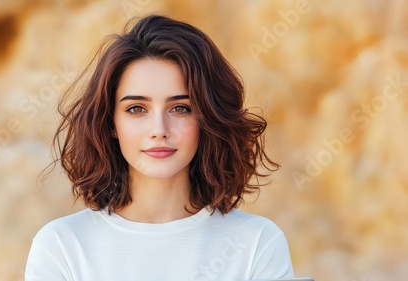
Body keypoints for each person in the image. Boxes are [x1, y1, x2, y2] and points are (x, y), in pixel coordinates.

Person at [25, 14, 294, 281]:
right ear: (110, 123)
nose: (159, 130)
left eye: (180, 108)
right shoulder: (61, 246)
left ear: (208, 119)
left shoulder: (257, 243)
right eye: (136, 109)